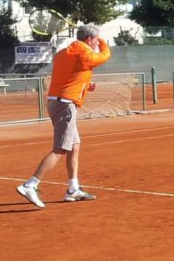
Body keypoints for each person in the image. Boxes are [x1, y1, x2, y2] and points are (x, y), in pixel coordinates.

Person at [16, 24, 111, 208]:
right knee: (61, 148)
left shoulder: (65, 52)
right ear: (90, 39)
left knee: (74, 146)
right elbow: (103, 56)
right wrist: (103, 42)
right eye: (96, 41)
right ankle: (30, 184)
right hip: (65, 105)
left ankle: (72, 189)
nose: (97, 44)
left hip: (58, 101)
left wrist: (86, 84)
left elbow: (72, 73)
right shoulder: (83, 51)